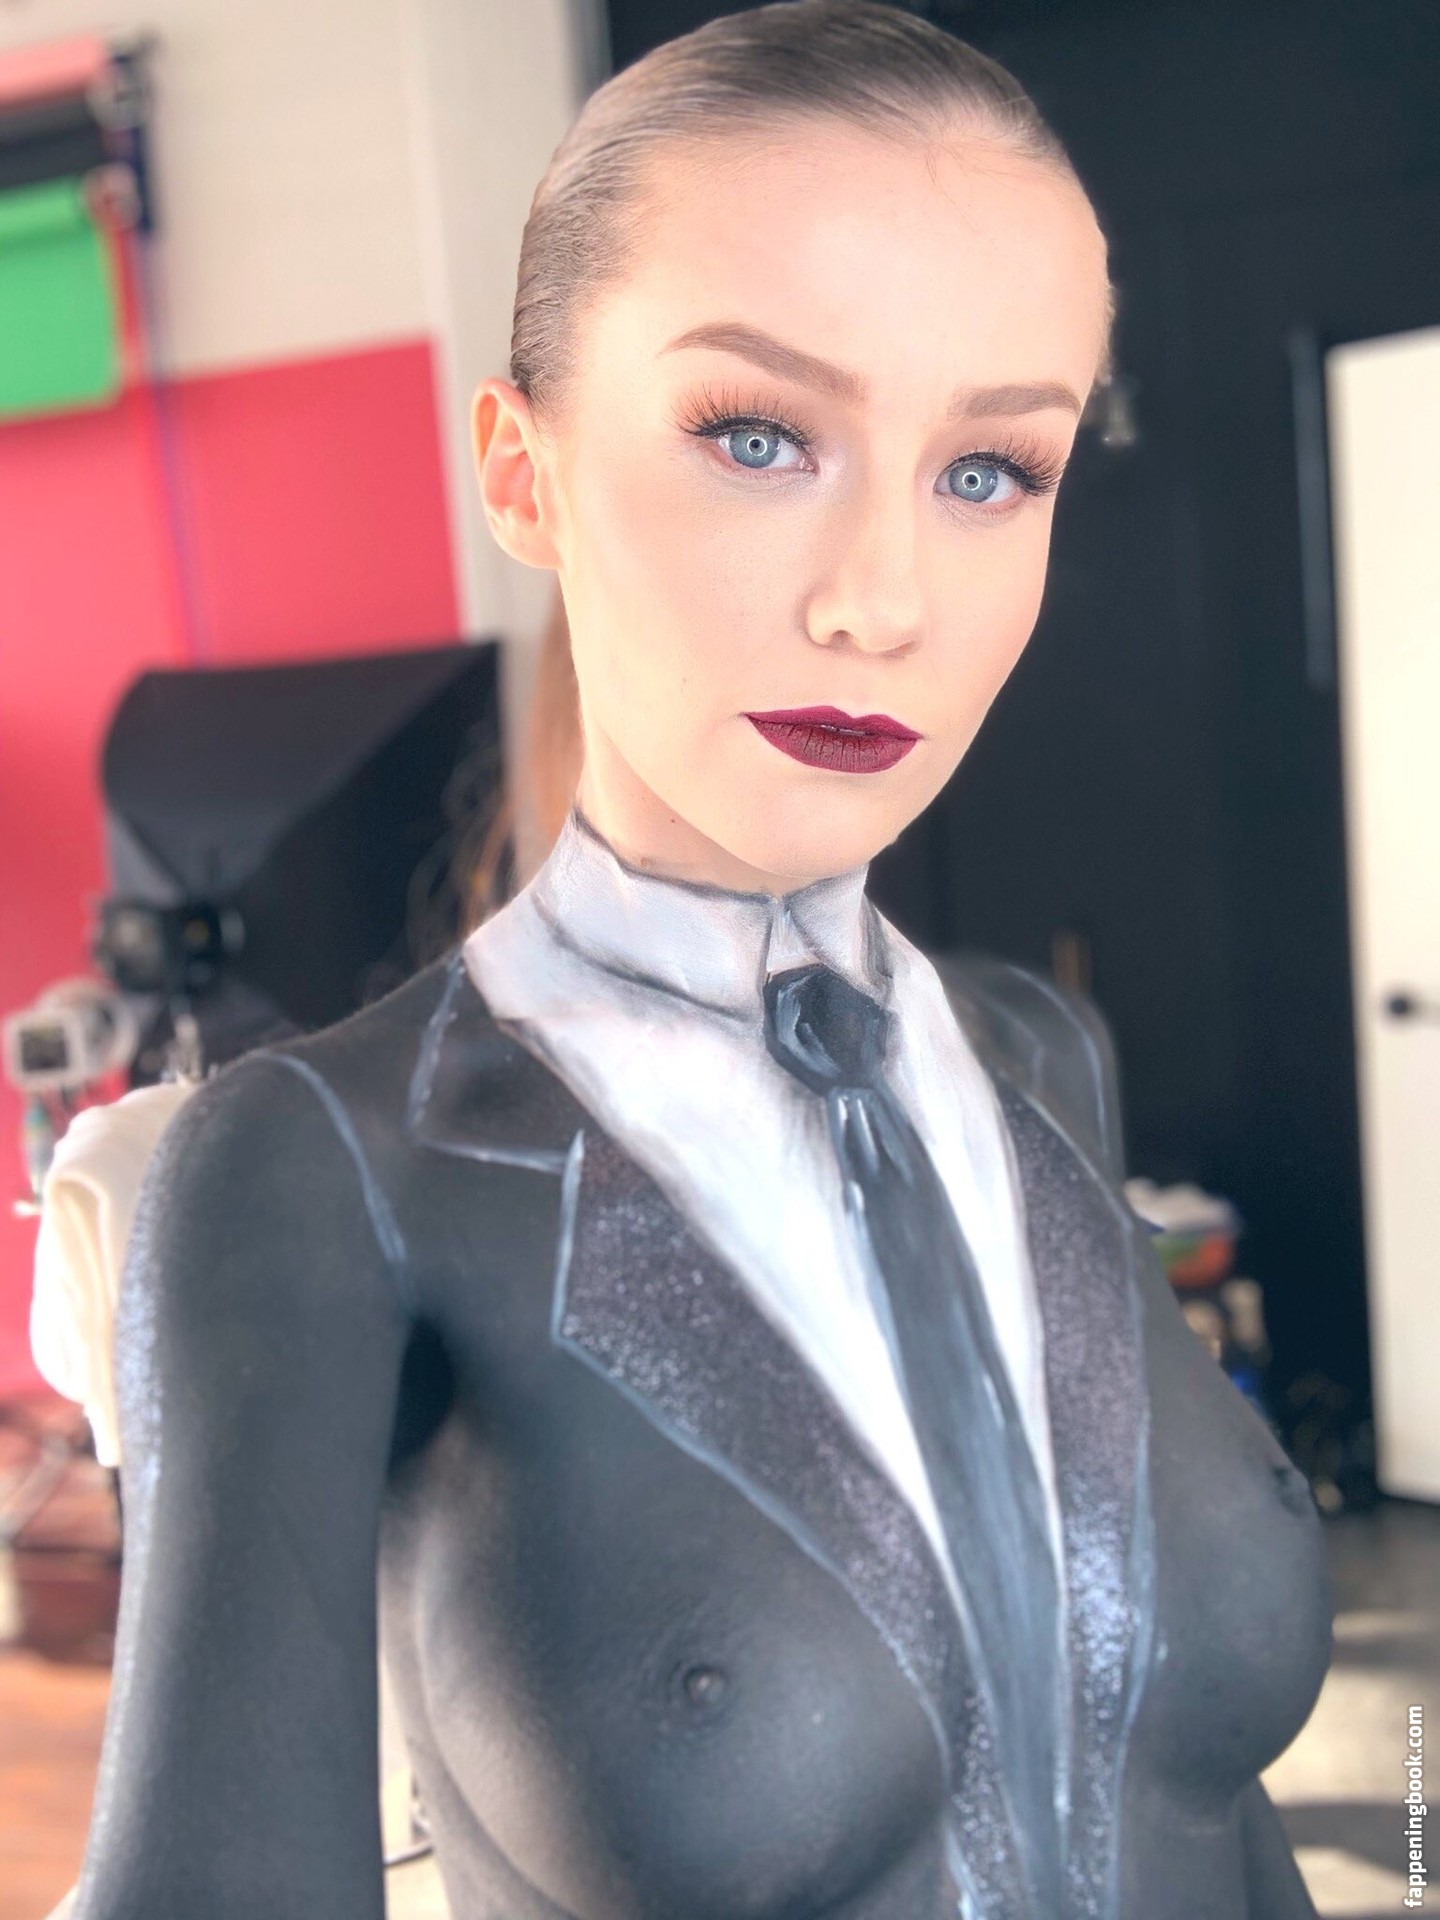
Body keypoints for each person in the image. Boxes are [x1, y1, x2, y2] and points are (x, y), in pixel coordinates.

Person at [69, 5, 1333, 1916]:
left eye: (992, 468)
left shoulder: (1030, 1058)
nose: (882, 601)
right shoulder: (318, 1171)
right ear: (524, 472)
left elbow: (1207, 1816)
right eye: (759, 438)